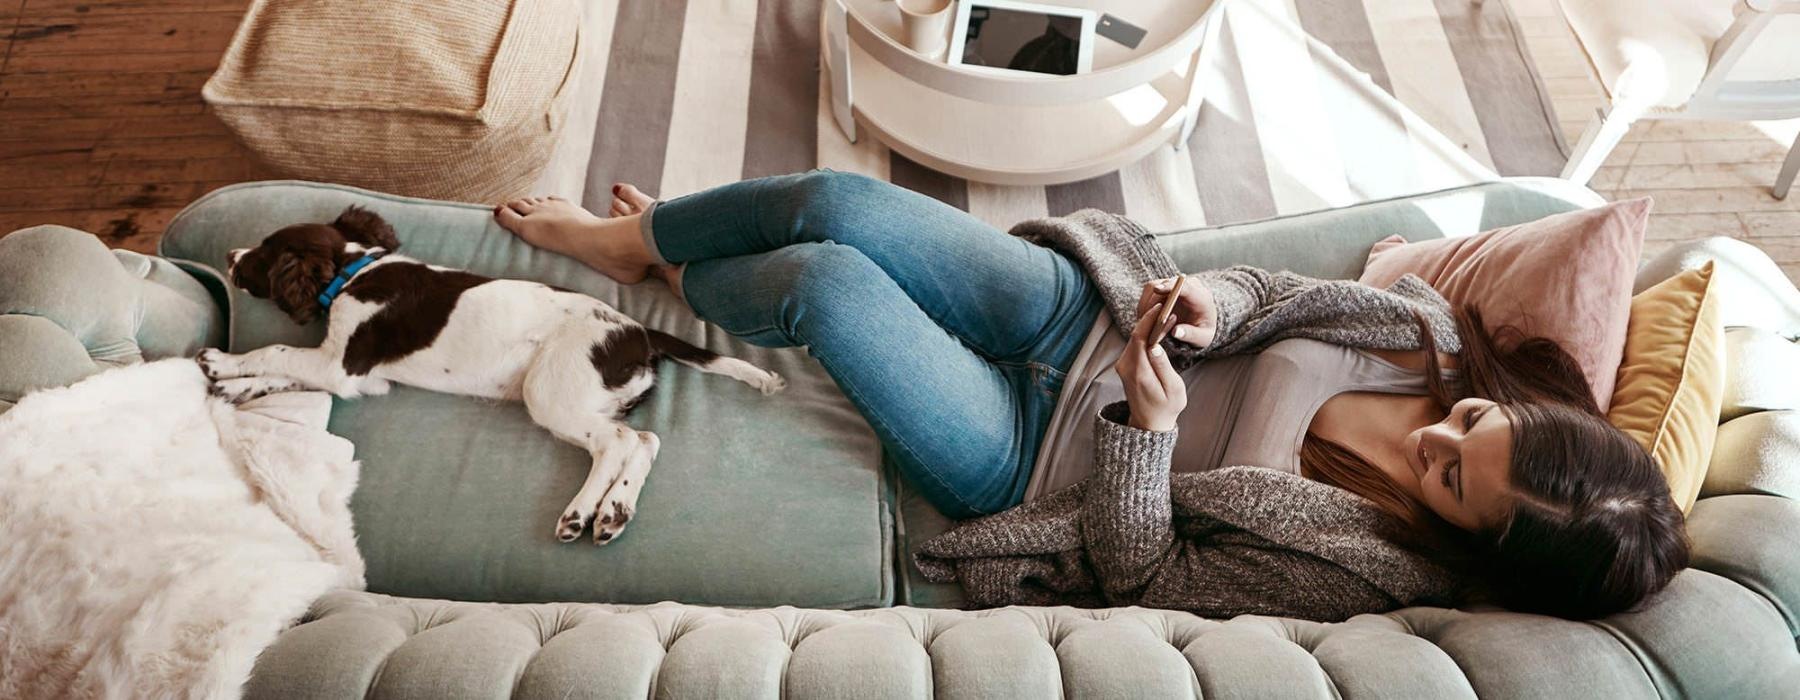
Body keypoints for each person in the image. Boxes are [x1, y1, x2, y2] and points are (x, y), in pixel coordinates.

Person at [493, 170, 1687, 621]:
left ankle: (684, 270)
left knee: (822, 282)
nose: (1439, 434)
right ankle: (638, 242)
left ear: (1468, 543)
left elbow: (1148, 575)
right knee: (838, 204)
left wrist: (1149, 434)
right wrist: (1217, 301)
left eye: (1447, 478)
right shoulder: (1430, 335)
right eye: (1477, 425)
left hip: (1030, 456)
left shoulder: (1367, 568)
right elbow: (1274, 293)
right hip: (1081, 315)